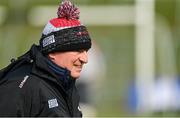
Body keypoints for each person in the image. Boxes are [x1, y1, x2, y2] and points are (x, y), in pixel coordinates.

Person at [0, 0, 91, 117]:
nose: (85, 59)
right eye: (78, 51)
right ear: (52, 52)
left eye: (85, 51)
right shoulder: (21, 86)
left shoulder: (66, 84)